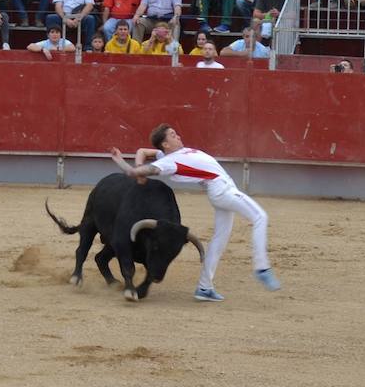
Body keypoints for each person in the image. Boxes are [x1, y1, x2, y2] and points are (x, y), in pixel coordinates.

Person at [111, 124, 280, 302]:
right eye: (172, 135)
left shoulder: (165, 155)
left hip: (221, 190)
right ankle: (262, 268)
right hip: (222, 190)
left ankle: (204, 288)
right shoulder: (168, 163)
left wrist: (139, 167)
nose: (178, 136)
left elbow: (142, 151)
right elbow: (132, 172)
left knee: (219, 240)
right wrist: (122, 162)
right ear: (166, 144)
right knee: (260, 216)